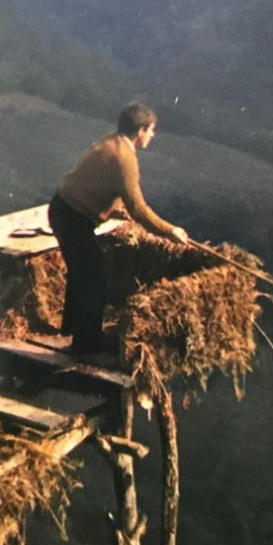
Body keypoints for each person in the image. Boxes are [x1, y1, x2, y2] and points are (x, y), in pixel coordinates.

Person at [48, 103, 189, 361]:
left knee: (83, 272)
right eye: (152, 131)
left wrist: (112, 210)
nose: (153, 136)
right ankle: (86, 346)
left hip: (63, 209)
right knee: (95, 276)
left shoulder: (111, 143)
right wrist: (170, 231)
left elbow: (96, 184)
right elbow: (137, 208)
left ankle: (71, 331)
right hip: (72, 216)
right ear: (141, 130)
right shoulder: (125, 158)